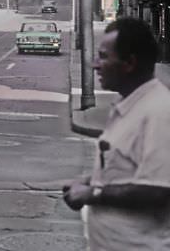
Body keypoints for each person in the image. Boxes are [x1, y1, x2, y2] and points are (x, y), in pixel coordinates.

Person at [63, 17, 170, 249]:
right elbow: (125, 169)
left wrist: (93, 193)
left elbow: (159, 190)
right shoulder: (130, 104)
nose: (95, 65)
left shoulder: (159, 111)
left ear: (129, 63)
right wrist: (89, 181)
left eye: (103, 57)